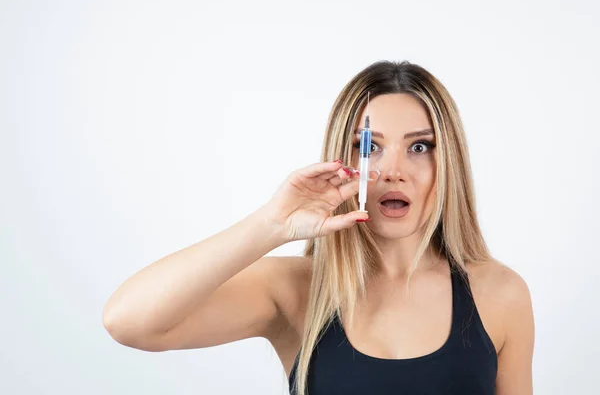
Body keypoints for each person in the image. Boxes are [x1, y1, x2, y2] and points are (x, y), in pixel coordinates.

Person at [102, 60, 534, 395]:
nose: (392, 171)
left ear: (450, 163)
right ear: (342, 158)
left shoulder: (499, 293)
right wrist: (271, 224)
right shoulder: (297, 290)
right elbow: (128, 320)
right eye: (371, 147)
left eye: (420, 147)